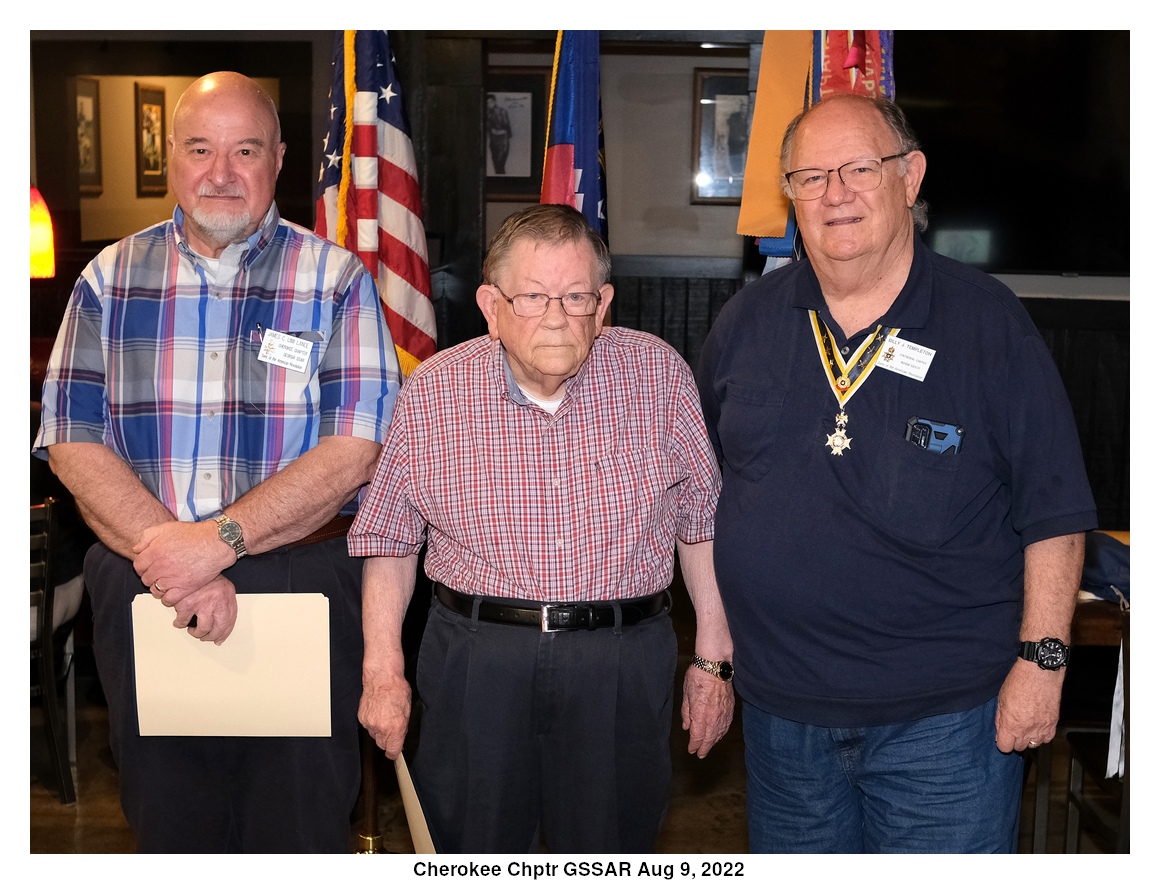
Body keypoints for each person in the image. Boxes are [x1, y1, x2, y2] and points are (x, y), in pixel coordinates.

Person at [696, 94, 1097, 853]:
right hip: (782, 721)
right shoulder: (746, 323)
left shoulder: (988, 324)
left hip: (946, 726)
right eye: (810, 176)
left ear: (909, 178)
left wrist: (1043, 662)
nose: (834, 194)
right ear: (789, 195)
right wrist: (712, 659)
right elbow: (706, 496)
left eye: (859, 169)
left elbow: (1055, 511)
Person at [32, 71, 401, 853]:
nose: (221, 173)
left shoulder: (336, 281)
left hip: (299, 579)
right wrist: (180, 560)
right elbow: (70, 439)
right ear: (172, 156)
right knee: (169, 823)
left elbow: (356, 448)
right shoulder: (107, 280)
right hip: (146, 580)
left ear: (279, 160)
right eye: (201, 149)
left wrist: (216, 543)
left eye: (246, 151)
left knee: (300, 828)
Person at [350, 203, 735, 853]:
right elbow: (389, 539)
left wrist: (713, 662)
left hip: (619, 663)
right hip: (477, 662)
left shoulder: (659, 376)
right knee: (472, 852)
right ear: (491, 306)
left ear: (603, 304)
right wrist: (382, 672)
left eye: (576, 296)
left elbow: (701, 523)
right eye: (531, 296)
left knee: (609, 852)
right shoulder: (435, 391)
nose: (556, 316)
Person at [486, 93, 512, 175]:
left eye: (491, 102)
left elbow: (507, 128)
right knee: (496, 165)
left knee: (500, 165)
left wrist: (498, 131)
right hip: (493, 141)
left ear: (494, 101)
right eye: (487, 103)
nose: (489, 104)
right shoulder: (486, 113)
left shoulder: (502, 111)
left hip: (503, 141)